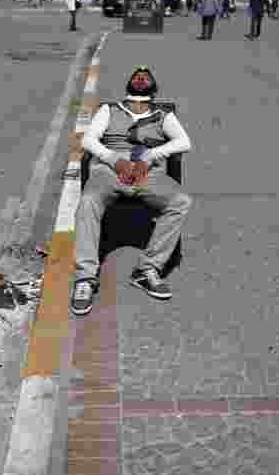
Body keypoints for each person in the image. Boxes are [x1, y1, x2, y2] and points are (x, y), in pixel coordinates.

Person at [71, 66, 192, 315]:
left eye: (145, 77)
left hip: (147, 172)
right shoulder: (110, 109)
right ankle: (85, 276)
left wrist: (150, 156)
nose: (140, 76)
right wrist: (114, 159)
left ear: (153, 89)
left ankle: (148, 269)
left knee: (180, 202)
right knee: (88, 201)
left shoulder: (162, 114)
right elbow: (88, 140)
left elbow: (184, 142)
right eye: (137, 76)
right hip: (109, 169)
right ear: (128, 86)